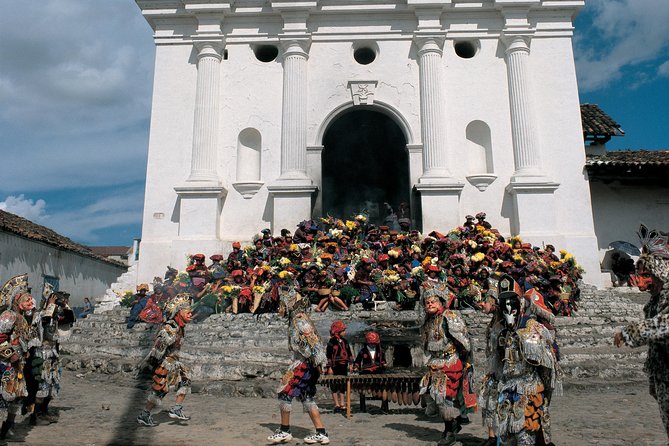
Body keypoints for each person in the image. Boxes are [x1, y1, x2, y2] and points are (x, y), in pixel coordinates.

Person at [479, 275, 560, 446]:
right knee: (508, 437)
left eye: (512, 301)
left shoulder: (533, 329)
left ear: (520, 302)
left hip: (529, 388)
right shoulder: (502, 332)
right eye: (504, 302)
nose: (508, 306)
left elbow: (547, 368)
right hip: (507, 389)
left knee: (525, 438)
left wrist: (544, 394)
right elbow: (498, 362)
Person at [614, 224, 669, 441]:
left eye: (647, 275)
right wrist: (654, 380)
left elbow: (665, 323)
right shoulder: (654, 302)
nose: (642, 281)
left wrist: (632, 332)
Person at [267, 275, 329, 445]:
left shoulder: (300, 320)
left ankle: (285, 431)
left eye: (283, 302)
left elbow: (314, 345)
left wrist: (318, 366)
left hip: (304, 364)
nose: (281, 307)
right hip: (306, 363)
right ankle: (321, 432)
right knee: (307, 397)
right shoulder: (296, 319)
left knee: (284, 393)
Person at [419, 288, 476, 446]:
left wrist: (463, 360)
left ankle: (449, 431)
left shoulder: (449, 317)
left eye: (433, 301)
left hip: (450, 362)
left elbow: (463, 342)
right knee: (434, 396)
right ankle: (454, 423)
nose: (429, 304)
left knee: (446, 399)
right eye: (427, 302)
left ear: (441, 302)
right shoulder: (429, 320)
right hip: (435, 363)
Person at [137, 293, 193, 427]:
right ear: (179, 312)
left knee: (185, 380)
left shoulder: (180, 327)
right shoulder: (170, 328)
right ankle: (144, 415)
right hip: (165, 364)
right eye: (188, 312)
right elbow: (157, 350)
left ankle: (177, 409)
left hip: (174, 362)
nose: (191, 314)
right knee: (160, 390)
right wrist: (150, 365)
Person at [25, 290, 75, 426]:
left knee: (51, 385)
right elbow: (45, 320)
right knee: (41, 386)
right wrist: (50, 305)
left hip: (52, 354)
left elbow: (70, 319)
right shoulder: (40, 314)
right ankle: (36, 416)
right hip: (41, 355)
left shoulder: (56, 314)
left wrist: (65, 306)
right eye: (57, 301)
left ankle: (44, 411)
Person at [0, 274, 36, 440]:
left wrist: (25, 351)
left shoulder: (23, 318)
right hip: (6, 363)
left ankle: (8, 427)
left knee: (17, 396)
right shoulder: (8, 315)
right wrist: (11, 354)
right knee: (4, 396)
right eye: (27, 300)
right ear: (17, 300)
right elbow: (0, 337)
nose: (30, 303)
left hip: (18, 364)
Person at [353, 331, 388, 413]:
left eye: (375, 343)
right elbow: (357, 361)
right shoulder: (362, 351)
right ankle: (363, 406)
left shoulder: (380, 351)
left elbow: (383, 361)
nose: (373, 345)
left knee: (384, 387)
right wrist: (356, 367)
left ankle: (384, 406)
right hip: (366, 373)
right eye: (372, 343)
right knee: (363, 387)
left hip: (378, 372)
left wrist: (384, 364)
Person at [326, 320, 352, 413]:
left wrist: (351, 364)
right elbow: (328, 355)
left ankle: (342, 404)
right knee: (334, 385)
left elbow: (349, 353)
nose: (345, 332)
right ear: (337, 331)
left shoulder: (345, 341)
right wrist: (329, 367)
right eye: (343, 330)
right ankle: (336, 404)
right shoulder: (331, 342)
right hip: (334, 366)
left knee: (342, 385)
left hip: (343, 366)